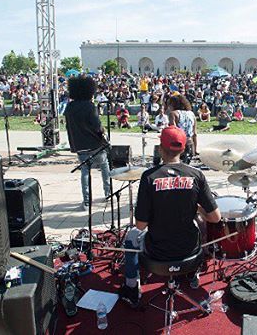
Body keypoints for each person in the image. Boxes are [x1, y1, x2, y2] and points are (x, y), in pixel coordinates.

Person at [119, 126, 221, 307]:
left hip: (158, 253)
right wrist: (197, 209)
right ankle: (191, 273)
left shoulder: (149, 177)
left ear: (160, 148)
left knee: (131, 237)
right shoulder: (197, 175)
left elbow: (140, 225)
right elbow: (215, 218)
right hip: (189, 251)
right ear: (183, 149)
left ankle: (132, 289)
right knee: (199, 225)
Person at [64, 76, 111, 210]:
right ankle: (107, 193)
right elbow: (97, 126)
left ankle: (86, 201)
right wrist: (103, 130)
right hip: (95, 145)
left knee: (85, 171)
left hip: (79, 145)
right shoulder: (90, 107)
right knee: (104, 165)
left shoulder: (70, 107)